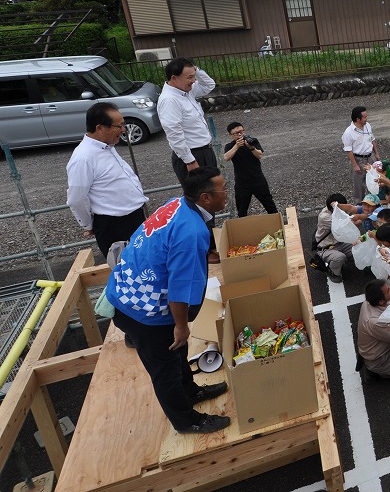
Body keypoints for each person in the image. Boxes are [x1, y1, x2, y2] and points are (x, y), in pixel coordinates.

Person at [105, 167, 230, 434]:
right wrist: (181, 326)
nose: (227, 193)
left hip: (131, 290)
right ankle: (186, 421)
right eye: (224, 189)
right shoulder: (192, 232)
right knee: (165, 369)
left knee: (178, 352)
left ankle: (191, 391)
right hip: (142, 311)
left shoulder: (179, 204)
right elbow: (179, 287)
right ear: (206, 198)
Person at [66, 102, 148, 258]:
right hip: (114, 226)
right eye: (119, 126)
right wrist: (88, 224)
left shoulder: (106, 146)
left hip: (133, 218)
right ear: (100, 128)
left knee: (146, 263)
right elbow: (76, 198)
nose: (123, 130)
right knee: (127, 271)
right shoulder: (83, 158)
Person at [156, 58, 218, 187]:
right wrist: (190, 161)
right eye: (190, 77)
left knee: (212, 191)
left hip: (205, 150)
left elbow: (209, 85)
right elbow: (174, 133)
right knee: (200, 196)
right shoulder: (169, 100)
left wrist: (196, 70)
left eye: (194, 76)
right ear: (174, 78)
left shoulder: (186, 91)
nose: (194, 81)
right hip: (192, 155)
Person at [222, 121, 278, 218]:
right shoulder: (230, 146)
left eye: (241, 131)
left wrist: (251, 148)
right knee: (242, 211)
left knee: (270, 206)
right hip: (242, 183)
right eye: (236, 133)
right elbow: (226, 158)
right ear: (230, 135)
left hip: (258, 179)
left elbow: (260, 155)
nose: (240, 134)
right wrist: (237, 146)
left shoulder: (252, 141)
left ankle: (278, 225)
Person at [342, 106, 381, 201]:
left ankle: (375, 202)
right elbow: (348, 150)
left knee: (375, 180)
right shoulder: (348, 133)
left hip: (370, 157)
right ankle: (359, 205)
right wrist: (355, 165)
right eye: (364, 117)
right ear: (357, 119)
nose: (366, 119)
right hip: (358, 159)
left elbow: (372, 139)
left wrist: (376, 154)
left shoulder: (368, 126)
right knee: (359, 185)